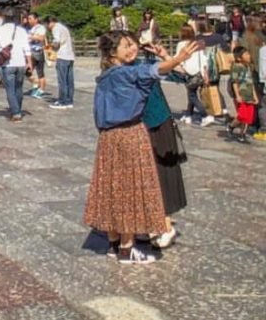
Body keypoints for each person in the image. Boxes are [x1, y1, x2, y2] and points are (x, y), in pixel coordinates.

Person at [83, 32, 197, 264]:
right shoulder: (128, 72)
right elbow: (154, 72)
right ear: (113, 52)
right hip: (131, 132)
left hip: (108, 138)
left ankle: (115, 244)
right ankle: (127, 248)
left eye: (133, 44)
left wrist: (170, 60)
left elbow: (167, 73)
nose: (132, 48)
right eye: (126, 46)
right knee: (132, 189)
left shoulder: (106, 75)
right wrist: (177, 58)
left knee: (113, 187)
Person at [139, 40, 186, 250]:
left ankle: (165, 225)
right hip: (137, 126)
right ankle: (149, 223)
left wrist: (167, 56)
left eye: (132, 45)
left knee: (160, 173)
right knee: (143, 175)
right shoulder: (118, 70)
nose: (131, 50)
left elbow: (182, 75)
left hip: (157, 122)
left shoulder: (145, 66)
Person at [0, 11, 31, 122]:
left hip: (7, 63)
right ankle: (17, 108)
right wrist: (29, 62)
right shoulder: (22, 30)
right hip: (21, 62)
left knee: (10, 89)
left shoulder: (0, 30)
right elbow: (27, 48)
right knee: (19, 88)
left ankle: (16, 113)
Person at [176, 26, 213, 127]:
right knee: (191, 93)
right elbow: (204, 59)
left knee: (192, 95)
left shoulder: (181, 44)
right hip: (199, 72)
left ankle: (205, 115)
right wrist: (205, 74)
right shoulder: (197, 43)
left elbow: (178, 58)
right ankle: (188, 115)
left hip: (188, 72)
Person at [228, 46, 258, 143]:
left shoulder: (248, 67)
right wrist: (237, 95)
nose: (249, 56)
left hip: (249, 95)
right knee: (242, 115)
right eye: (246, 54)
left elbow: (251, 82)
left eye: (248, 54)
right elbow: (234, 82)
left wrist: (255, 96)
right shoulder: (236, 67)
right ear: (239, 58)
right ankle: (231, 126)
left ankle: (242, 135)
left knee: (249, 117)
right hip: (242, 94)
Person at [47, 15, 76, 109]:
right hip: (70, 55)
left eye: (47, 24)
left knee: (62, 80)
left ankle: (62, 101)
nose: (48, 27)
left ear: (51, 22)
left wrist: (51, 46)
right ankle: (69, 100)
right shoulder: (64, 27)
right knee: (69, 80)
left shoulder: (56, 28)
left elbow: (57, 41)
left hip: (62, 56)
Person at [25, 11, 48, 99]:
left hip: (38, 52)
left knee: (40, 72)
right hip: (30, 52)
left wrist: (31, 37)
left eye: (30, 18)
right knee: (27, 71)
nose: (29, 20)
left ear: (36, 19)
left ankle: (41, 89)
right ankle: (36, 84)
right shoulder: (31, 28)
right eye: (28, 19)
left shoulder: (40, 27)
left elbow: (41, 38)